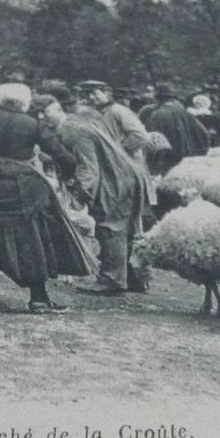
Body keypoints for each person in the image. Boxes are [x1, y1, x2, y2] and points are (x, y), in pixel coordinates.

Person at [0, 84, 92, 314]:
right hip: (21, 185)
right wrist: (67, 173)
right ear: (24, 103)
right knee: (31, 238)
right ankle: (39, 298)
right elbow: (63, 156)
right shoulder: (33, 124)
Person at [38, 89, 148, 296]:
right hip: (123, 177)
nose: (42, 118)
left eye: (46, 112)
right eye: (38, 114)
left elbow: (88, 168)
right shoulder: (76, 123)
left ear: (57, 110)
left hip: (116, 181)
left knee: (111, 229)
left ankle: (112, 281)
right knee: (125, 232)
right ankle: (133, 278)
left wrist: (79, 197)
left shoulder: (72, 130)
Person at [78, 80, 157, 220]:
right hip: (107, 168)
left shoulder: (118, 111)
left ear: (106, 92)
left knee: (130, 209)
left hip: (126, 167)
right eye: (87, 94)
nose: (91, 97)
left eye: (94, 93)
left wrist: (119, 152)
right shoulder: (91, 114)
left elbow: (140, 136)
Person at [143, 83, 210, 173]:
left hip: (167, 162)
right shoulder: (185, 113)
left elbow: (151, 140)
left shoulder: (156, 115)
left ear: (157, 99)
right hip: (188, 160)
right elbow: (204, 133)